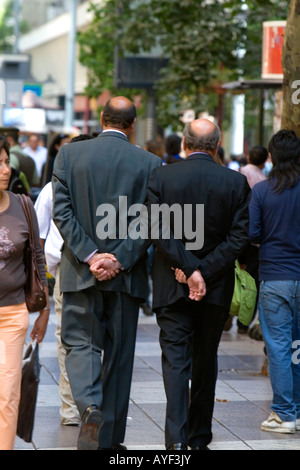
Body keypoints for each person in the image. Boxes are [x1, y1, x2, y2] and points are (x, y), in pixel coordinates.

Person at [52, 96, 161, 450]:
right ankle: (110, 443)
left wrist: (91, 254)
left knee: (79, 345)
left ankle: (89, 406)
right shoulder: (150, 163)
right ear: (132, 125)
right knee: (119, 358)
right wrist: (118, 258)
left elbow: (62, 212)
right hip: (125, 278)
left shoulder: (69, 155)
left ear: (101, 119)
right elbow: (151, 220)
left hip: (78, 272)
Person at [148, 118, 250, 450]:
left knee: (176, 364)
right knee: (206, 360)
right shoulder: (235, 182)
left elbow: (158, 231)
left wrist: (188, 269)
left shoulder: (162, 176)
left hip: (172, 285)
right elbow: (238, 240)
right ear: (217, 145)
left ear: (185, 145)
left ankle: (175, 443)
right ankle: (199, 436)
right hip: (216, 288)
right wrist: (203, 271)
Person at [249, 129, 300, 434]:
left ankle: (284, 413)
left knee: (279, 347)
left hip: (275, 277)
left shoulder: (263, 191)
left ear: (271, 156)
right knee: (298, 344)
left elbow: (252, 233)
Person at [0, 136, 49, 450]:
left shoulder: (23, 205)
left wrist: (44, 310)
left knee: (8, 392)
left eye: (6, 162)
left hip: (13, 314)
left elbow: (38, 257)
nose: (5, 170)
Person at [0, 127, 40, 192]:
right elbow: (35, 183)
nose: (6, 170)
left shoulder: (12, 157)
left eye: (7, 162)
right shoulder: (30, 159)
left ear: (9, 140)